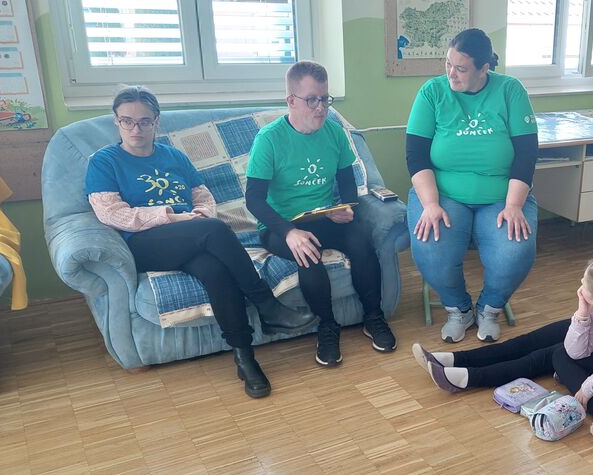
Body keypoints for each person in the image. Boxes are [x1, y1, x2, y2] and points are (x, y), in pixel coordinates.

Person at [85, 85, 307, 399]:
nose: (136, 129)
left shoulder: (174, 156)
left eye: (144, 121)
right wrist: (173, 218)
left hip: (190, 235)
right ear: (116, 121)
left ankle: (245, 358)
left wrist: (199, 214)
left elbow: (202, 196)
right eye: (127, 121)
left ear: (156, 122)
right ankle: (267, 305)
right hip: (144, 243)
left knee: (214, 270)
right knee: (214, 230)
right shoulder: (105, 161)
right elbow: (112, 213)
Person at [415, 257, 593, 441]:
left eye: (584, 285)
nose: (580, 287)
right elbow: (577, 352)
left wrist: (591, 384)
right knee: (550, 349)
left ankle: (470, 377)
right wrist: (582, 314)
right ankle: (456, 361)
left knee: (553, 355)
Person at [245, 60, 396, 367]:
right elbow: (254, 200)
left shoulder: (335, 133)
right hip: (281, 225)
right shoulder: (269, 139)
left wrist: (346, 208)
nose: (321, 108)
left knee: (361, 241)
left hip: (323, 216)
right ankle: (327, 327)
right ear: (291, 100)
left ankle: (373, 316)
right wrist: (289, 232)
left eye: (325, 99)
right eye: (311, 100)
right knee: (308, 255)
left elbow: (347, 184)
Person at [406, 27, 539, 343]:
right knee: (430, 244)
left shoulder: (510, 90)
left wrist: (514, 206)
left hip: (502, 195)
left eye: (461, 68)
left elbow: (527, 154)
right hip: (442, 194)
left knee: (516, 249)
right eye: (448, 64)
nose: (451, 73)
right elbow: (415, 155)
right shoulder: (432, 92)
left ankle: (489, 309)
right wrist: (430, 204)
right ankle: (459, 310)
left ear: (484, 68)